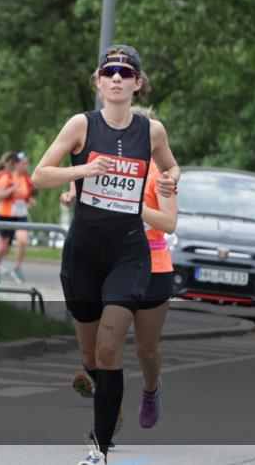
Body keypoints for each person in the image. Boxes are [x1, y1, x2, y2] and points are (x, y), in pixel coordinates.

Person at [31, 45, 179, 465]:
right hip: (83, 253)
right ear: (98, 82)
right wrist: (83, 171)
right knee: (91, 356)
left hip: (129, 253)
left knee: (111, 351)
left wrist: (168, 184)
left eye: (126, 72)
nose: (117, 78)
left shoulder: (152, 132)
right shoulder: (81, 124)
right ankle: (105, 391)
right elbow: (40, 174)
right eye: (109, 71)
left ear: (137, 83)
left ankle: (99, 448)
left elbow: (171, 169)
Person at [64, 106, 179, 434]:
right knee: (104, 348)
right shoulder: (107, 163)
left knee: (145, 348)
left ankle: (150, 389)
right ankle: (110, 416)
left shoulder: (161, 176)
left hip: (152, 266)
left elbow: (170, 223)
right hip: (107, 264)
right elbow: (83, 185)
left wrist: (134, 208)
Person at [0, 152, 36, 283]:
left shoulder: (27, 180)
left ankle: (17, 268)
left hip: (21, 215)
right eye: (23, 163)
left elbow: (25, 195)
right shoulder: (6, 178)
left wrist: (30, 200)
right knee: (3, 246)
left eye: (27, 164)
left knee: (22, 241)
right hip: (6, 215)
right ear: (16, 164)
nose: (25, 166)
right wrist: (12, 189)